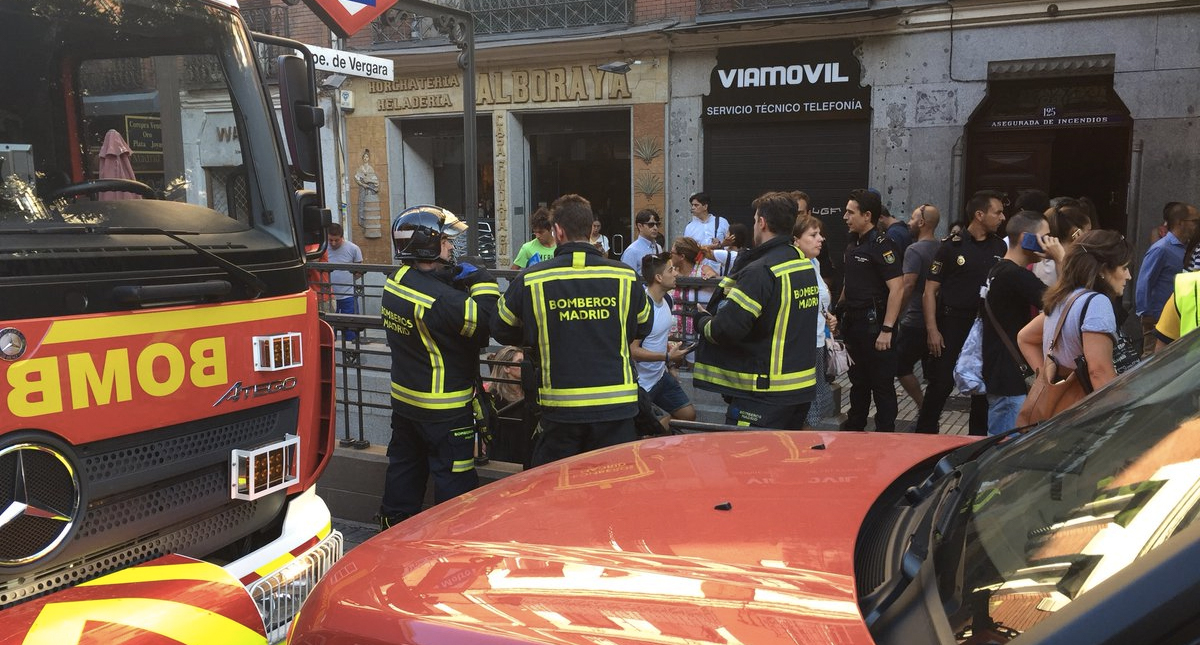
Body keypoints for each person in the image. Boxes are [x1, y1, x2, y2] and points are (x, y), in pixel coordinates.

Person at [495, 194, 651, 466]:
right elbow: (644, 325)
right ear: (591, 229)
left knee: (558, 489)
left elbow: (502, 329)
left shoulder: (531, 279)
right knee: (615, 487)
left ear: (558, 231)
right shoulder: (626, 276)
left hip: (560, 409)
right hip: (617, 407)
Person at [377, 205, 500, 529]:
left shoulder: (396, 279)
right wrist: (482, 279)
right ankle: (448, 545)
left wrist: (447, 278)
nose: (452, 247)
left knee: (404, 470)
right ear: (427, 245)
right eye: (446, 241)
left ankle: (391, 534)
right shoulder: (444, 301)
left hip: (406, 402)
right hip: (444, 410)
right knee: (453, 482)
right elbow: (489, 322)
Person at [694, 191, 819, 429]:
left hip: (764, 395)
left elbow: (726, 329)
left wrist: (702, 319)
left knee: (746, 464)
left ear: (761, 223)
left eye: (754, 220)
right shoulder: (802, 264)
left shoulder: (761, 271)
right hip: (798, 392)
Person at [914, 190, 1007, 435]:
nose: (1002, 217)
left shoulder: (1000, 246)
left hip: (985, 324)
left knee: (981, 386)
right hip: (952, 322)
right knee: (941, 383)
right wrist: (932, 330)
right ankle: (925, 435)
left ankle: (977, 441)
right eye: (997, 212)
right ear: (979, 214)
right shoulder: (951, 247)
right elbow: (929, 291)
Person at [1017, 230, 1134, 406]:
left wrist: (1047, 380)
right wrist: (1121, 412)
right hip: (1087, 415)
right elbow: (1099, 372)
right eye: (1124, 267)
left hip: (1062, 412)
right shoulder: (1096, 303)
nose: (1128, 276)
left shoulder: (1066, 299)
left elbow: (1025, 338)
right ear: (1102, 270)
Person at [981, 211, 1063, 434]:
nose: (1049, 242)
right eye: (1044, 236)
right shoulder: (1015, 275)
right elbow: (1062, 304)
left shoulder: (999, 269)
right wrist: (1060, 258)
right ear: (1027, 237)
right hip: (1009, 378)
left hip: (1000, 371)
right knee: (1004, 449)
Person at [836, 189, 904, 432]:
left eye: (850, 212)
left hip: (875, 325)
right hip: (854, 324)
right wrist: (837, 310)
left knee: (882, 384)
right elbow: (849, 281)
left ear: (867, 215)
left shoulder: (883, 246)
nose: (845, 216)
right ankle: (856, 428)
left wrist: (887, 330)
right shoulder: (852, 243)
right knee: (858, 382)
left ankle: (885, 433)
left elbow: (897, 289)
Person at [632, 253, 696, 431]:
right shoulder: (643, 306)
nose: (676, 273)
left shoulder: (667, 299)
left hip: (661, 376)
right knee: (642, 434)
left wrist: (671, 364)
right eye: (671, 270)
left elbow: (657, 336)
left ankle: (653, 429)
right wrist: (667, 356)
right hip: (642, 385)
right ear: (659, 277)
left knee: (688, 416)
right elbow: (632, 351)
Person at [1135, 202, 1199, 358]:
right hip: (1156, 318)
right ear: (1180, 222)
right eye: (1194, 221)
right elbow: (1145, 281)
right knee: (1152, 360)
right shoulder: (1161, 248)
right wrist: (1146, 314)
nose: (1197, 226)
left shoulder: (1186, 248)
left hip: (1175, 316)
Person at [896, 203, 941, 407]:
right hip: (938, 321)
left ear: (922, 222)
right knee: (933, 372)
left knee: (901, 366)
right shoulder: (942, 248)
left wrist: (894, 315)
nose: (909, 222)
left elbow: (908, 285)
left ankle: (923, 405)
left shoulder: (914, 250)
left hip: (914, 320)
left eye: (913, 218)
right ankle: (930, 411)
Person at [794, 215, 836, 426]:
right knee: (806, 412)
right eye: (813, 235)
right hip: (804, 348)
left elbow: (817, 299)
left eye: (820, 234)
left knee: (814, 412)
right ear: (796, 241)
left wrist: (827, 315)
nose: (821, 239)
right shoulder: (795, 267)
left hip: (818, 342)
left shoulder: (814, 262)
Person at [669, 236, 720, 363]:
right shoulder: (670, 271)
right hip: (673, 334)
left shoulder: (702, 271)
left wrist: (714, 276)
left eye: (672, 253)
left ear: (682, 257)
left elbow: (717, 291)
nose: (670, 256)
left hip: (695, 334)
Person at [483, 345, 535, 466]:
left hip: (526, 453)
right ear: (506, 368)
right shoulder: (494, 395)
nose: (524, 367)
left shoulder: (529, 392)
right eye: (519, 362)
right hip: (503, 456)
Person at [1033, 199, 1092, 286]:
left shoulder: (1043, 260)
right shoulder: (1070, 265)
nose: (1091, 235)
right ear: (1077, 233)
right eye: (1088, 231)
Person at [326, 222, 363, 343]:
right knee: (329, 333)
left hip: (348, 295)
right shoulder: (323, 248)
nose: (333, 243)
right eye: (330, 240)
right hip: (329, 296)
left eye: (336, 240)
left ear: (342, 237)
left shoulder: (353, 249)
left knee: (350, 331)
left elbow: (359, 270)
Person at [620, 208, 664, 277]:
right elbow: (627, 279)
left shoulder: (658, 247)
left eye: (657, 224)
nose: (655, 228)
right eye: (651, 224)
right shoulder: (632, 251)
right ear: (640, 226)